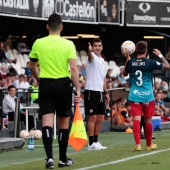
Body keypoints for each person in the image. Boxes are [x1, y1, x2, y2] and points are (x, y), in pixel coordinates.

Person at [29, 13, 80, 169]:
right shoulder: (68, 44)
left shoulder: (39, 43)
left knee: (47, 122)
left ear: (47, 26)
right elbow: (73, 68)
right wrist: (77, 89)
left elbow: (31, 66)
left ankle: (49, 158)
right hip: (64, 85)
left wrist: (38, 79)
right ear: (62, 27)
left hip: (46, 84)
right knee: (63, 123)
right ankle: (62, 159)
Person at [122, 41, 170, 151]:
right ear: (146, 51)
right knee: (148, 120)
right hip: (148, 96)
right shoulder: (150, 63)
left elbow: (124, 74)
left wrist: (127, 61)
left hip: (135, 95)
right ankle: (149, 145)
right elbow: (167, 66)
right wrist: (160, 55)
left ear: (135, 50)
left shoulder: (131, 62)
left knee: (136, 119)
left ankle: (138, 144)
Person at [84, 38, 110, 150]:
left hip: (100, 92)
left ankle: (96, 141)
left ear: (102, 47)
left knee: (100, 117)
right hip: (91, 90)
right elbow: (90, 56)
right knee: (92, 117)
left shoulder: (102, 60)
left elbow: (103, 78)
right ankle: (91, 144)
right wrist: (89, 51)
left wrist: (106, 92)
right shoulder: (92, 57)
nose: (97, 48)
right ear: (92, 47)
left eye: (99, 45)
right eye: (95, 46)